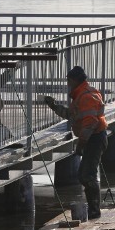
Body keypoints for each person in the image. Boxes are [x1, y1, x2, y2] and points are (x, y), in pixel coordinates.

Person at [44, 66, 108, 219]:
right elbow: (72, 115)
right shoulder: (81, 95)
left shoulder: (86, 96)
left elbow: (90, 123)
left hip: (95, 138)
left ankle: (94, 210)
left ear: (74, 80)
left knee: (87, 176)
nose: (67, 84)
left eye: (68, 81)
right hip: (93, 138)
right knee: (84, 175)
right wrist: (54, 106)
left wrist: (81, 144)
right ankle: (93, 208)